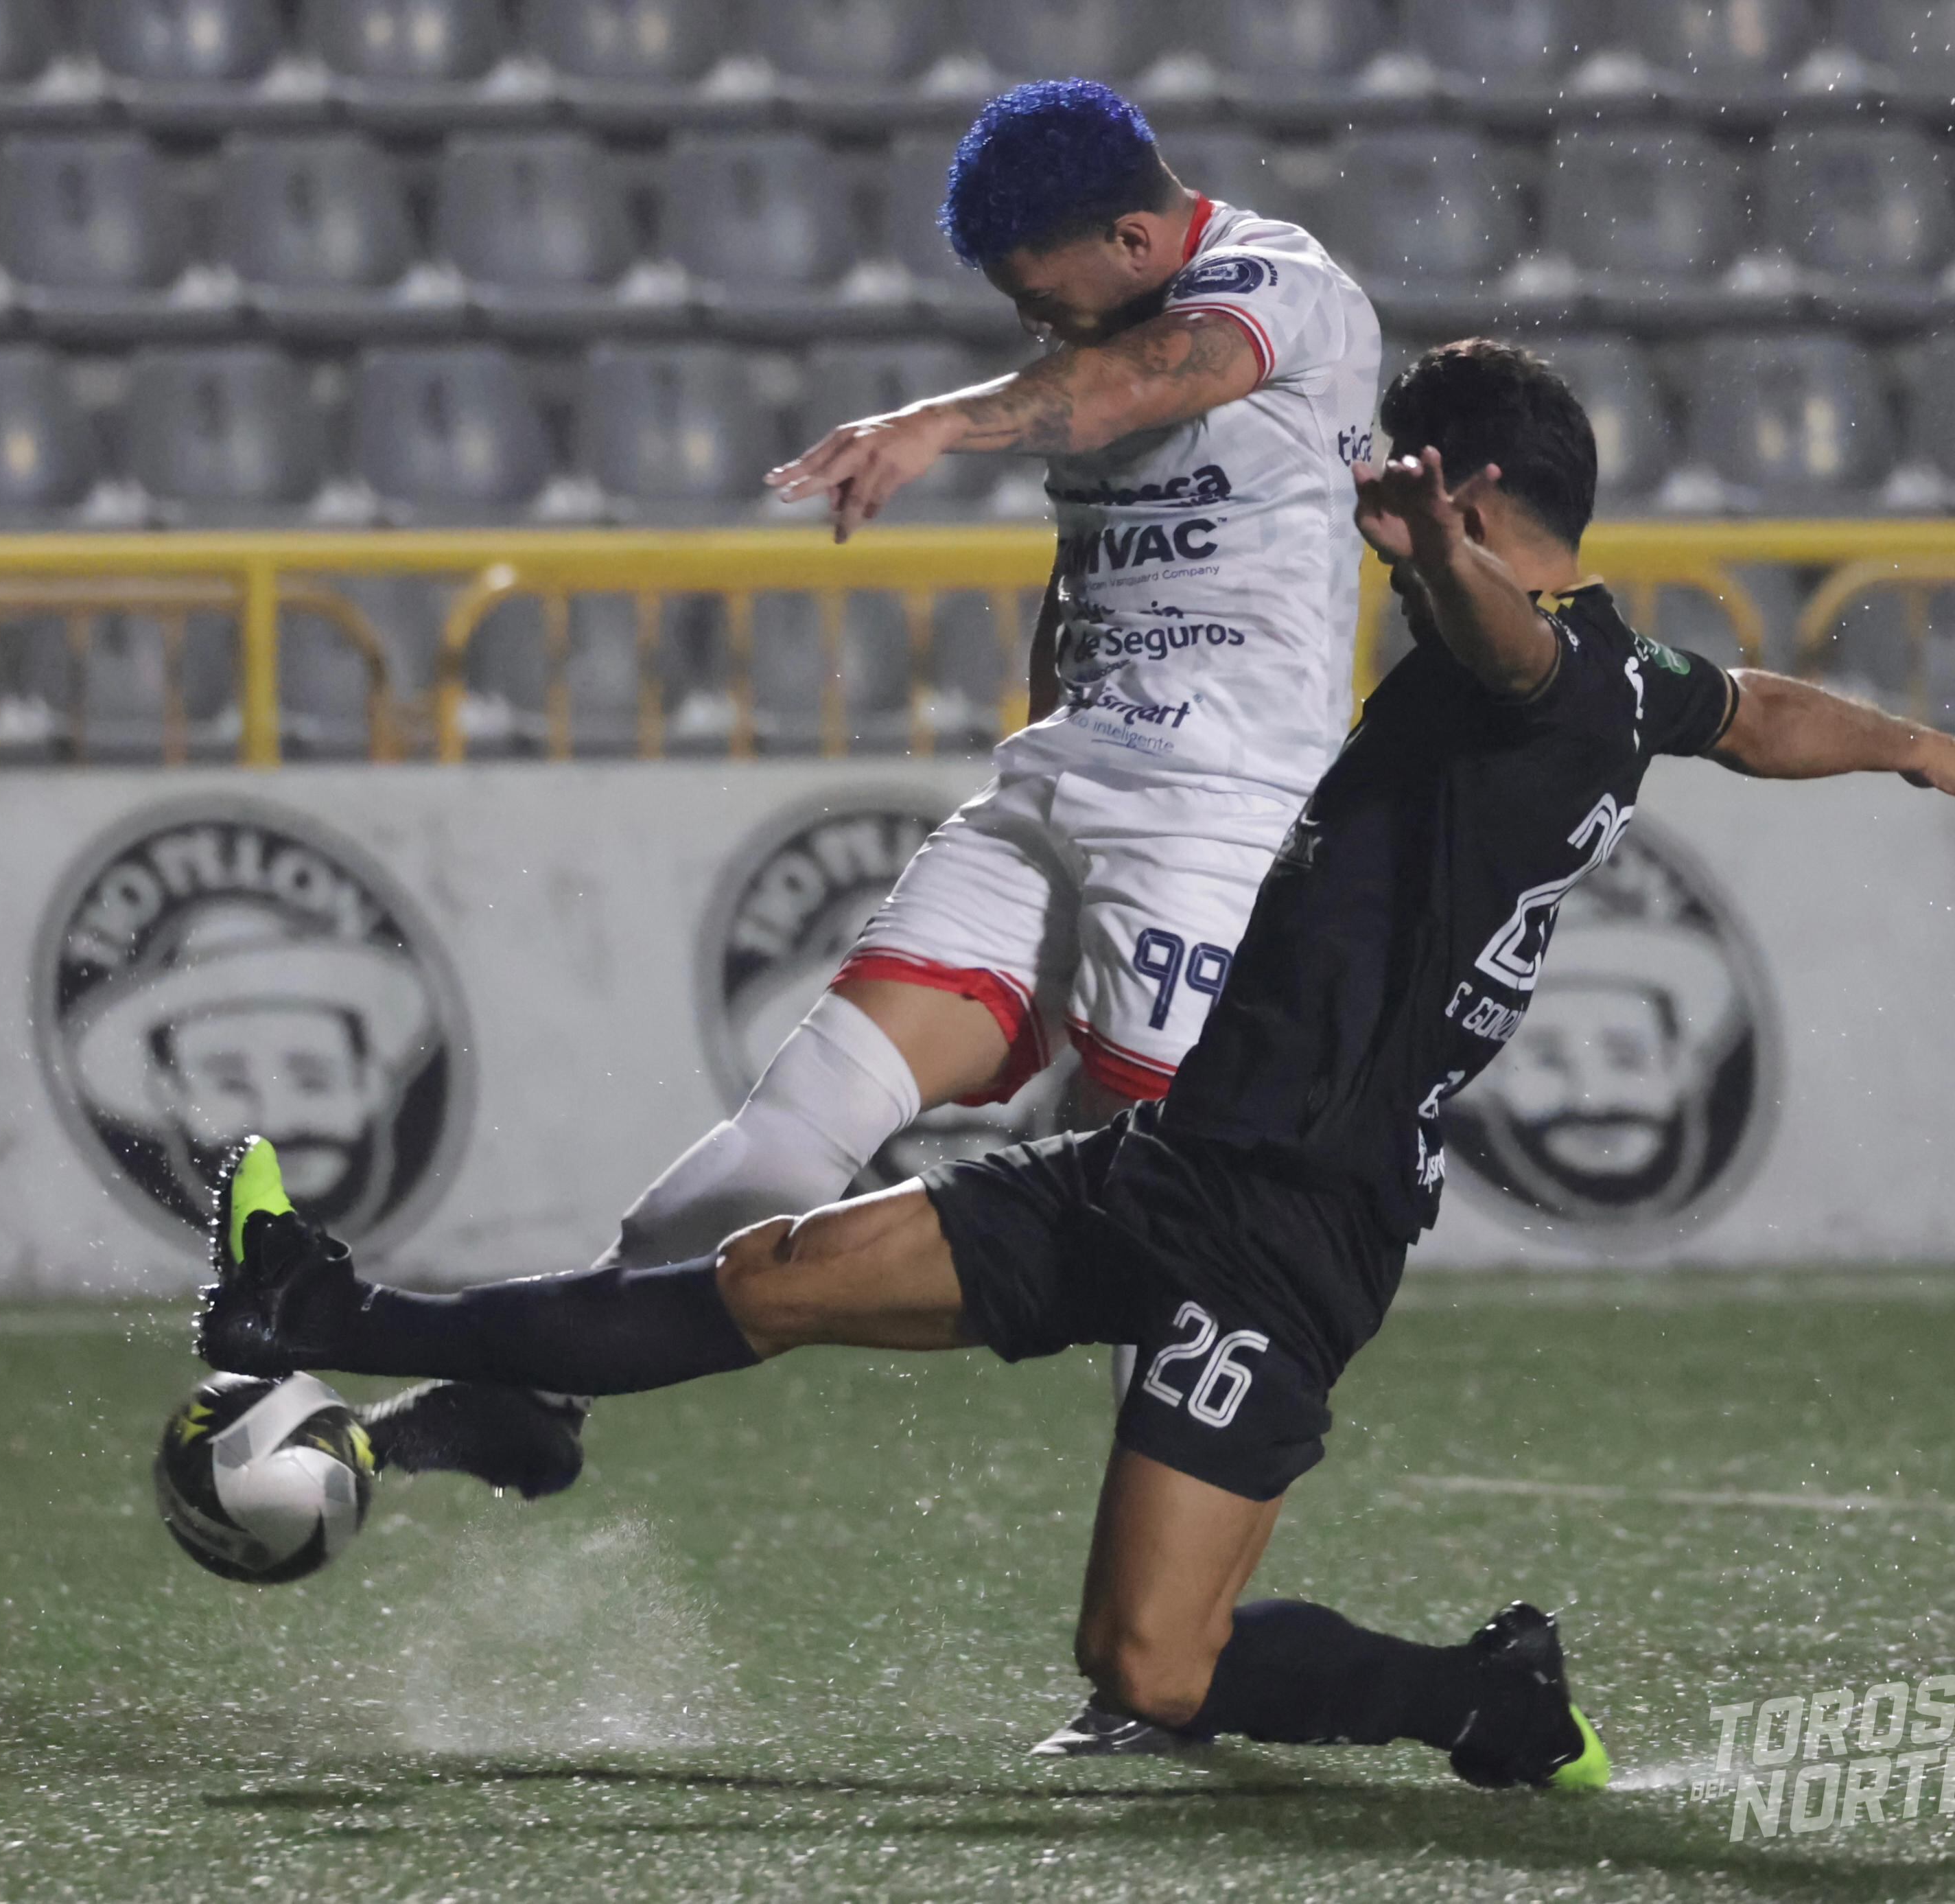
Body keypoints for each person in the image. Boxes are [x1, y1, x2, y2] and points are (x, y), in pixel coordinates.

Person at [196, 340, 1955, 1771]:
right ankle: (325, 1307)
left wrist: (1437, 557)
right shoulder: (1629, 679)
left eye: (1394, 468)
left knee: (1155, 1664)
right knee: (774, 1275)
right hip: (1174, 1167)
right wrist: (1921, 746)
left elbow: (1502, 651)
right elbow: (1753, 708)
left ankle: (1485, 1695)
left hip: (1292, 1236)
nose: (1364, 497)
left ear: (1466, 492)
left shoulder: (1531, 676)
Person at [358, 75, 1380, 1490]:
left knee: (1167, 1229)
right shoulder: (1099, 340)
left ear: (1137, 242)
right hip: (1058, 792)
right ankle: (535, 1390)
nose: (1037, 329)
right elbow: (1093, 557)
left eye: (1045, 298)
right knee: (800, 1122)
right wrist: (1052, 714)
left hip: (1216, 820)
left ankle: (1176, 1605)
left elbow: (1138, 381)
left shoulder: (1284, 289)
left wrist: (935, 425)